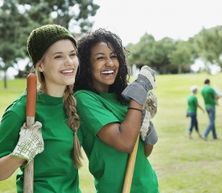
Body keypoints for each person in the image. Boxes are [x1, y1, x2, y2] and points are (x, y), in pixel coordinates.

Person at [74, 29, 159, 193]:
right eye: (100, 58)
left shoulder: (123, 97)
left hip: (148, 186)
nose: (110, 63)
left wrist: (148, 134)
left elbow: (143, 152)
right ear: (86, 64)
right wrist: (139, 92)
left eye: (113, 56)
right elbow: (125, 142)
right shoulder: (84, 99)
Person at [0, 24, 82, 193]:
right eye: (58, 56)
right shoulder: (21, 110)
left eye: (72, 54)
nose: (69, 62)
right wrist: (20, 154)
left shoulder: (75, 104)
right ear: (41, 65)